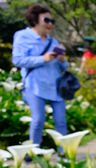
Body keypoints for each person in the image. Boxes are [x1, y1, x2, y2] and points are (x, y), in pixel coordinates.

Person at [12, 4, 69, 148]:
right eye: (47, 20)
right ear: (35, 20)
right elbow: (18, 60)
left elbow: (64, 67)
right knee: (38, 120)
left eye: (52, 21)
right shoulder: (22, 36)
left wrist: (62, 60)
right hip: (34, 85)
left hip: (55, 86)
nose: (50, 24)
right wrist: (43, 59)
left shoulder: (53, 41)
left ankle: (64, 155)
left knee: (61, 121)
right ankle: (33, 151)